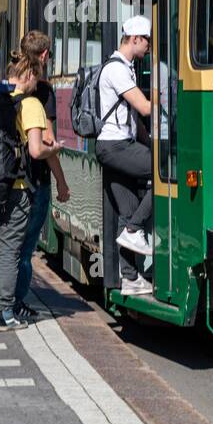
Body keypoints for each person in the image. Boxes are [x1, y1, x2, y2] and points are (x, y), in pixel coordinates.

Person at [0, 51, 58, 330]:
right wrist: (55, 148)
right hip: (16, 189)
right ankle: (5, 313)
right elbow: (36, 149)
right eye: (37, 77)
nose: (38, 83)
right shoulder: (30, 104)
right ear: (28, 75)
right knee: (9, 252)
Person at [95, 15, 155, 296]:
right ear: (135, 39)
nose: (149, 48)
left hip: (117, 146)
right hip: (115, 147)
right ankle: (134, 229)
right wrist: (168, 99)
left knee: (128, 210)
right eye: (147, 42)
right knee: (163, 171)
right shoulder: (117, 70)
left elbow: (133, 118)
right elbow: (143, 108)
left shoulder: (125, 68)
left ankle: (130, 278)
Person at [13, 31, 70, 318]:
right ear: (45, 55)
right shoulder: (43, 92)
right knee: (26, 248)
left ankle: (3, 299)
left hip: (10, 178)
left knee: (12, 243)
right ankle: (15, 303)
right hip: (35, 179)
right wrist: (60, 180)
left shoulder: (10, 84)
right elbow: (47, 142)